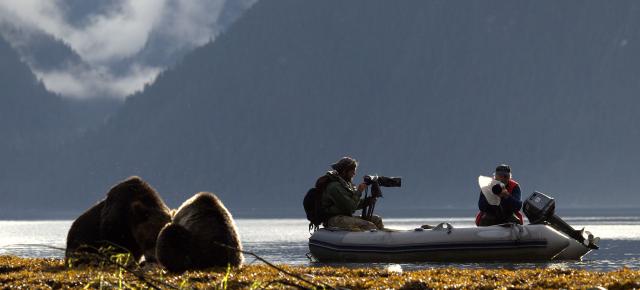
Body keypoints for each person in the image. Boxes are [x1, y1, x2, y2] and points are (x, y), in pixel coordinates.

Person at [320, 157, 384, 231]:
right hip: (334, 219)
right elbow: (351, 207)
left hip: (345, 217)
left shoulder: (346, 184)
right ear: (344, 171)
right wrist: (359, 191)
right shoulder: (335, 187)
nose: (354, 173)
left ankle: (383, 239)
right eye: (352, 171)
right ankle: (374, 240)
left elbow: (354, 204)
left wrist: (368, 201)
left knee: (377, 220)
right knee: (369, 225)